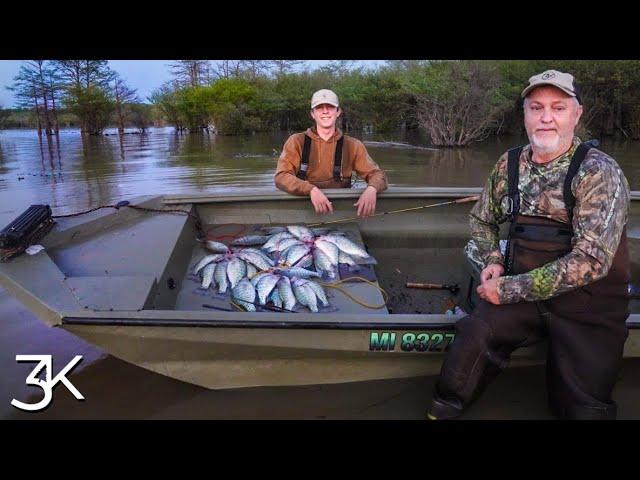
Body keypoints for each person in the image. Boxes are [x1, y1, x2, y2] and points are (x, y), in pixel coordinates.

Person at [428, 70, 631, 420]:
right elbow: (482, 220)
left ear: (577, 114)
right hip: (522, 293)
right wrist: (491, 259)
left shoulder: (600, 172)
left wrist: (506, 288)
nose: (546, 118)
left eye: (558, 107)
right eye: (536, 108)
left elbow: (592, 261)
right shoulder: (509, 163)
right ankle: (442, 410)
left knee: (585, 411)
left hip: (588, 306)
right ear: (525, 115)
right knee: (473, 336)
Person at [274, 89, 388, 216]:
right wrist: (310, 189)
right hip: (303, 210)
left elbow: (378, 175)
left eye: (330, 107)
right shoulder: (296, 141)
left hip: (340, 212)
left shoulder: (353, 145)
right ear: (312, 113)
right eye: (319, 108)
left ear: (338, 111)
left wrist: (372, 189)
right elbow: (281, 177)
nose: (325, 111)